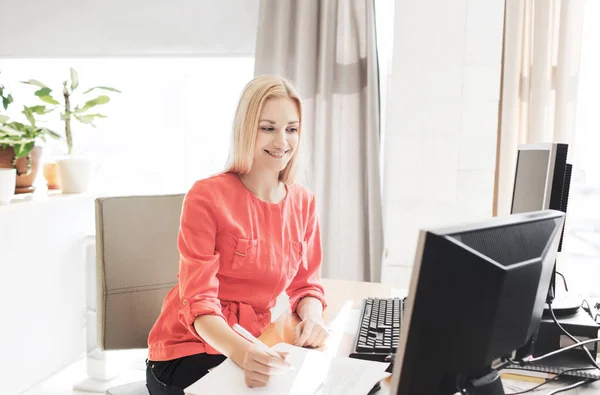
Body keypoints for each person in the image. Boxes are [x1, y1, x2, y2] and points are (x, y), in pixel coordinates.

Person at [145, 75, 329, 395]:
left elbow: (307, 284)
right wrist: (242, 353)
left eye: (292, 129)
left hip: (254, 343)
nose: (282, 141)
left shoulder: (303, 202)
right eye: (268, 127)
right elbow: (199, 303)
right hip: (188, 349)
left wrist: (314, 319)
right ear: (246, 128)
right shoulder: (207, 196)